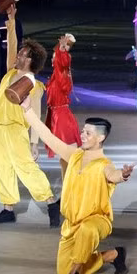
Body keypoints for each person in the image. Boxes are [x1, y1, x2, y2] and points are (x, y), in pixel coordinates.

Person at [21, 102, 133, 274]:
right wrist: (27, 110)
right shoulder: (74, 155)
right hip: (72, 224)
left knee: (86, 232)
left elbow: (113, 176)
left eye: (88, 133)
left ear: (100, 137)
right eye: (83, 131)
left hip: (97, 221)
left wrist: (123, 175)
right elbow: (47, 136)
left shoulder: (104, 164)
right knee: (61, 270)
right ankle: (113, 255)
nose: (82, 135)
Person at [0, 4, 59, 226]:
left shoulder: (33, 85)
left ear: (29, 60)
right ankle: (7, 208)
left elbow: (36, 113)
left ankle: (51, 201)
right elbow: (11, 46)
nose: (18, 54)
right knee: (2, 167)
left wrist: (34, 142)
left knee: (25, 168)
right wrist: (11, 19)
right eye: (20, 52)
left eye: (23, 54)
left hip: (16, 130)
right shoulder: (11, 71)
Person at [45, 34, 81, 179]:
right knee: (64, 159)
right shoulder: (56, 75)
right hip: (56, 116)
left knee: (68, 157)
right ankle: (67, 189)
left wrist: (62, 49)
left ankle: (72, 188)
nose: (53, 59)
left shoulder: (61, 74)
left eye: (55, 56)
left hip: (62, 118)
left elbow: (62, 62)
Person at [0, 12, 23, 78]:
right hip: (5, 47)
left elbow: (19, 34)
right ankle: (4, 78)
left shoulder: (16, 22)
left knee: (12, 63)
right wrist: (1, 43)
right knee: (5, 64)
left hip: (11, 46)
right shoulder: (0, 22)